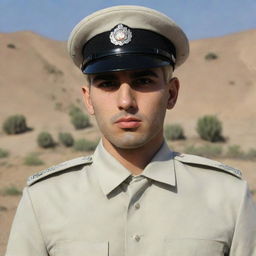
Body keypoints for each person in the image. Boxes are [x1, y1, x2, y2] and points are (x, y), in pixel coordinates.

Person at [5, 5, 256, 256]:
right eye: (107, 84)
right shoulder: (45, 200)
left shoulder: (226, 196)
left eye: (143, 81)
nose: (126, 101)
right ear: (88, 99)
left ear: (171, 93)